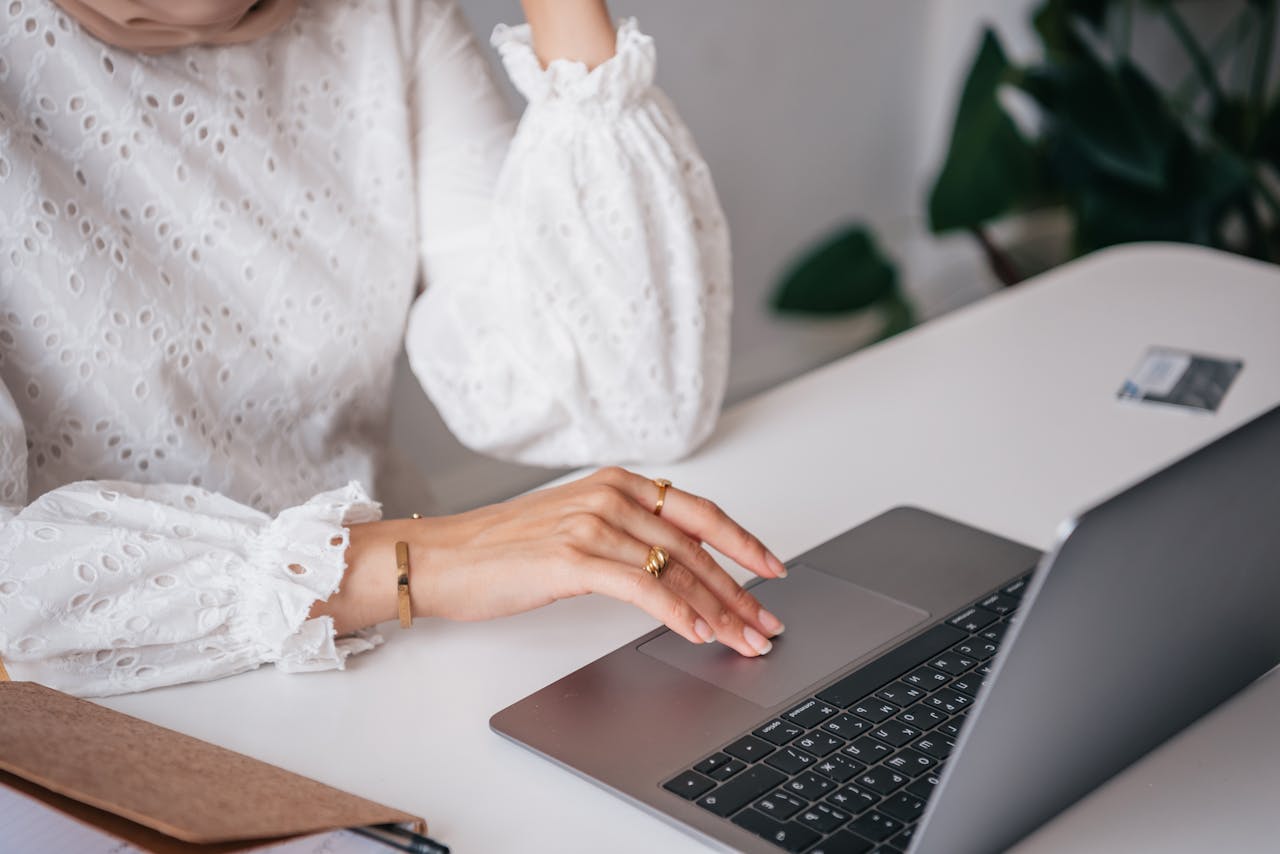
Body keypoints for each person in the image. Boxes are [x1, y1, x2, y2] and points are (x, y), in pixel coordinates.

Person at [0, 0, 786, 697]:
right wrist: (425, 561)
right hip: (113, 708)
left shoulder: (383, 15)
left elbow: (636, 405)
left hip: (392, 660)